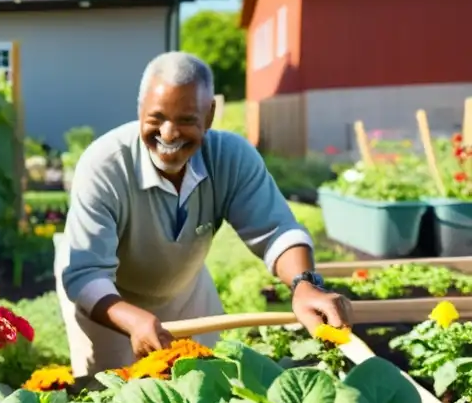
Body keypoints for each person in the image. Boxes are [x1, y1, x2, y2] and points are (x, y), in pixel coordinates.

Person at [57, 51, 353, 376]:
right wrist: (133, 319)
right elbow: (86, 274)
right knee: (112, 401)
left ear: (209, 115)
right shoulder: (105, 164)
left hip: (187, 294)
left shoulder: (230, 157)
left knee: (206, 391)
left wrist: (304, 284)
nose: (169, 134)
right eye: (156, 118)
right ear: (140, 110)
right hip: (110, 304)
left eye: (186, 120)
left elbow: (278, 232)